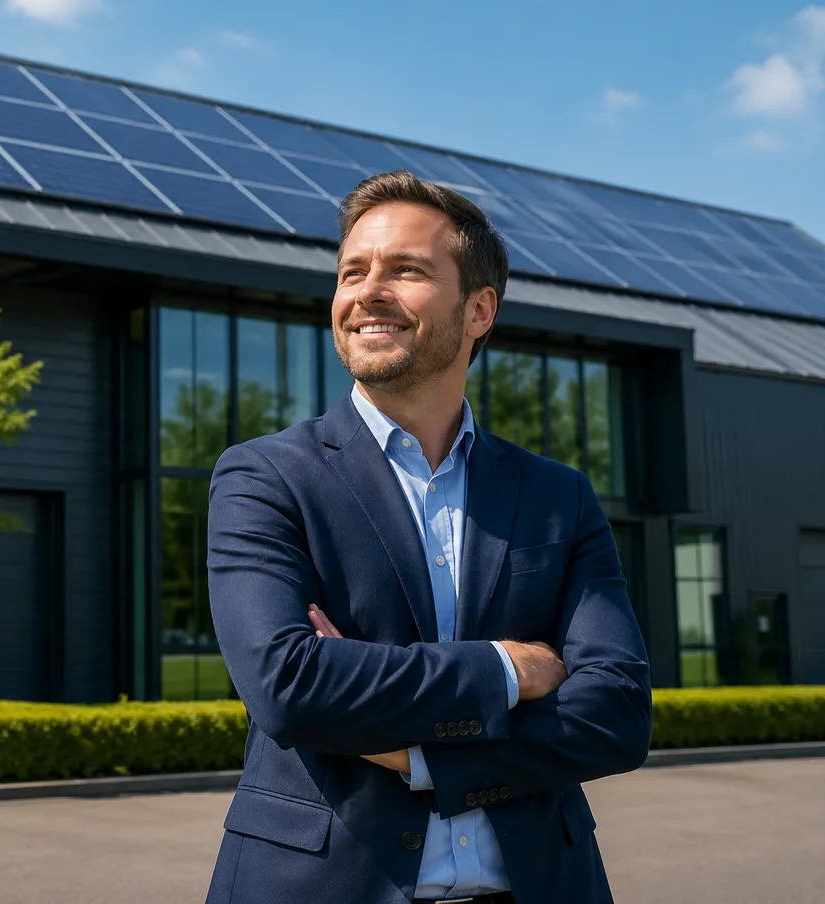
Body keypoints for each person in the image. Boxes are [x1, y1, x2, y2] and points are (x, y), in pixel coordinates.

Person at [204, 171, 652, 904]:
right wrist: (508, 670)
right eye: (352, 272)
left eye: (406, 270)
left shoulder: (557, 496)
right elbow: (290, 687)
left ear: (479, 309)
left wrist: (417, 755)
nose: (368, 292)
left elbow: (619, 714)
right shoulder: (265, 477)